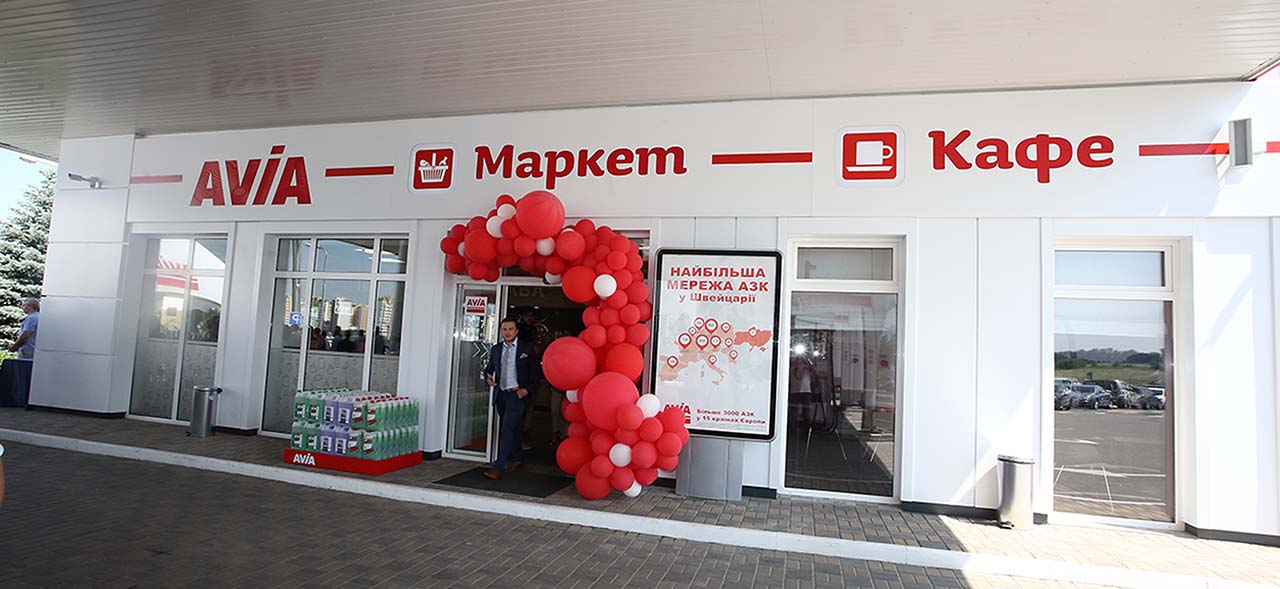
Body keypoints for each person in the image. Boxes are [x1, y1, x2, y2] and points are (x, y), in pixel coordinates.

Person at [482, 317, 541, 480]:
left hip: (517, 395)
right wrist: (487, 378)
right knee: (512, 428)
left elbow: (536, 374)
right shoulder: (496, 349)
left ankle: (498, 468)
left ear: (516, 331)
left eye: (510, 329)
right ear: (501, 331)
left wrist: (526, 390)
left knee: (506, 428)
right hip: (501, 394)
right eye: (504, 329)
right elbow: (488, 369)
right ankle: (518, 457)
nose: (507, 332)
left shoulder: (526, 348)